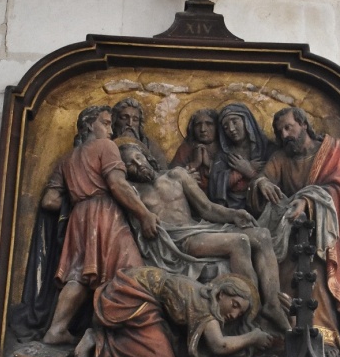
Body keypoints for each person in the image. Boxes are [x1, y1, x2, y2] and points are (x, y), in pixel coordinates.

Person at [118, 139, 290, 333]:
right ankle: (252, 312)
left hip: (198, 228)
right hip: (179, 242)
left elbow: (206, 208)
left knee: (262, 235)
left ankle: (273, 303)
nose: (138, 164)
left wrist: (233, 215)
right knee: (239, 242)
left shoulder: (177, 175)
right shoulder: (132, 193)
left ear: (147, 157)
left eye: (139, 157)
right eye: (130, 164)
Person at [39, 105, 158, 345]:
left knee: (78, 275)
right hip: (105, 213)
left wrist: (78, 200)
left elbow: (49, 200)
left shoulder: (67, 159)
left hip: (78, 217)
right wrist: (145, 214)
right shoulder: (106, 147)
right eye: (106, 123)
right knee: (131, 271)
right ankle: (127, 335)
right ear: (89, 124)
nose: (111, 130)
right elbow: (117, 185)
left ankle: (56, 329)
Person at [252, 106, 340, 357]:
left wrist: (308, 202)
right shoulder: (281, 157)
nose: (285, 134)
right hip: (287, 234)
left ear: (303, 124)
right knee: (277, 278)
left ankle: (324, 336)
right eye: (280, 132)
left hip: (321, 237)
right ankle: (284, 334)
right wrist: (262, 183)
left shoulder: (333, 151)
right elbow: (262, 179)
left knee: (315, 275)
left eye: (289, 127)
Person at [75, 266, 273, 357]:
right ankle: (98, 341)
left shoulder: (205, 299)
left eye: (240, 312)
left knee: (171, 352)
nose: (235, 314)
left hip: (144, 300)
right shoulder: (203, 303)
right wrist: (253, 337)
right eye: (235, 304)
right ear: (221, 294)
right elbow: (218, 344)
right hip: (130, 295)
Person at [208, 103, 273, 210]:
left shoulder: (268, 148)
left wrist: (250, 172)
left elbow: (278, 183)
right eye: (225, 127)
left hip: (263, 206)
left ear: (247, 121)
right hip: (232, 209)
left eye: (234, 121)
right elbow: (214, 187)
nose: (231, 129)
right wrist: (238, 173)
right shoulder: (224, 155)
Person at [169, 108, 219, 192]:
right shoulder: (185, 149)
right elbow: (170, 177)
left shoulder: (224, 148)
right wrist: (195, 164)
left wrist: (209, 164)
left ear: (217, 127)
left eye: (209, 124)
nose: (202, 129)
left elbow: (229, 177)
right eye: (198, 125)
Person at [111, 97, 167, 170]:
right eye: (124, 117)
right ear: (114, 120)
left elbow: (163, 172)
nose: (130, 124)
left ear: (140, 123)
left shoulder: (150, 145)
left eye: (135, 120)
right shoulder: (105, 144)